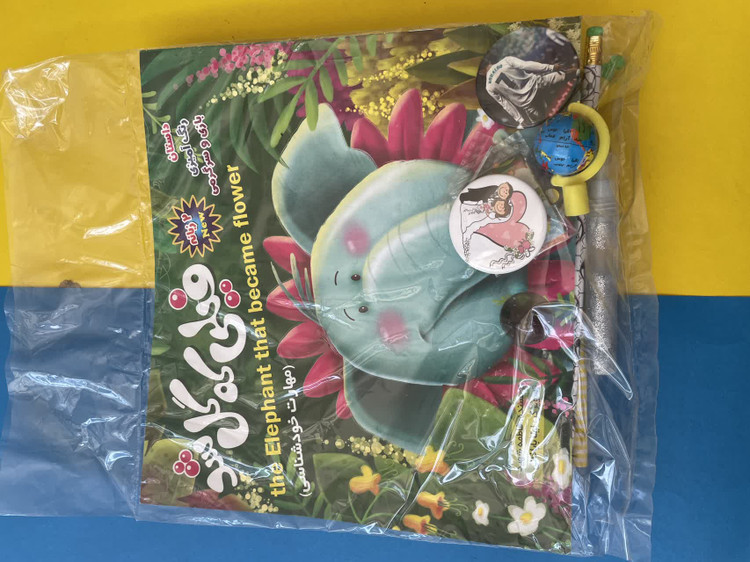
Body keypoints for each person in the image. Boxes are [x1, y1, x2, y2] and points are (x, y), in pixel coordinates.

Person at [481, 56, 576, 127]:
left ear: (481, 72)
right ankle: (580, 71)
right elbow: (527, 65)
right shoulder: (506, 61)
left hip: (528, 104)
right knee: (564, 75)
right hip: (537, 84)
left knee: (543, 125)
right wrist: (551, 67)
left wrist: (519, 119)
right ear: (488, 61)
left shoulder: (488, 86)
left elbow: (505, 104)